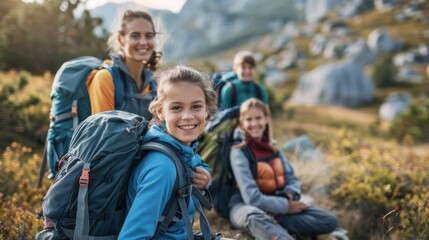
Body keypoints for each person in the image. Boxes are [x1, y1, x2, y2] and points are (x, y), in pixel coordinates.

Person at [118, 65, 218, 239]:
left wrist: (206, 178)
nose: (187, 116)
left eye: (196, 107)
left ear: (206, 109)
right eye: (176, 108)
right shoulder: (162, 168)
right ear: (160, 111)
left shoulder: (179, 148)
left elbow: (196, 162)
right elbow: (132, 237)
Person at [228, 98, 337, 240]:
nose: (254, 124)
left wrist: (289, 196)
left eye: (258, 118)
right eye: (249, 119)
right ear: (242, 123)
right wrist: (286, 206)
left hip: (278, 204)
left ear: (266, 119)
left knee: (329, 220)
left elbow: (291, 178)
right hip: (244, 206)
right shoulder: (239, 151)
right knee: (256, 218)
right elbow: (252, 197)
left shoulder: (274, 147)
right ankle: (279, 231)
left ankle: (278, 223)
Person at [87, 9, 161, 120]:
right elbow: (103, 134)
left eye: (149, 36)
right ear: (121, 40)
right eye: (135, 35)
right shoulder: (106, 79)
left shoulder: (153, 86)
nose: (143, 42)